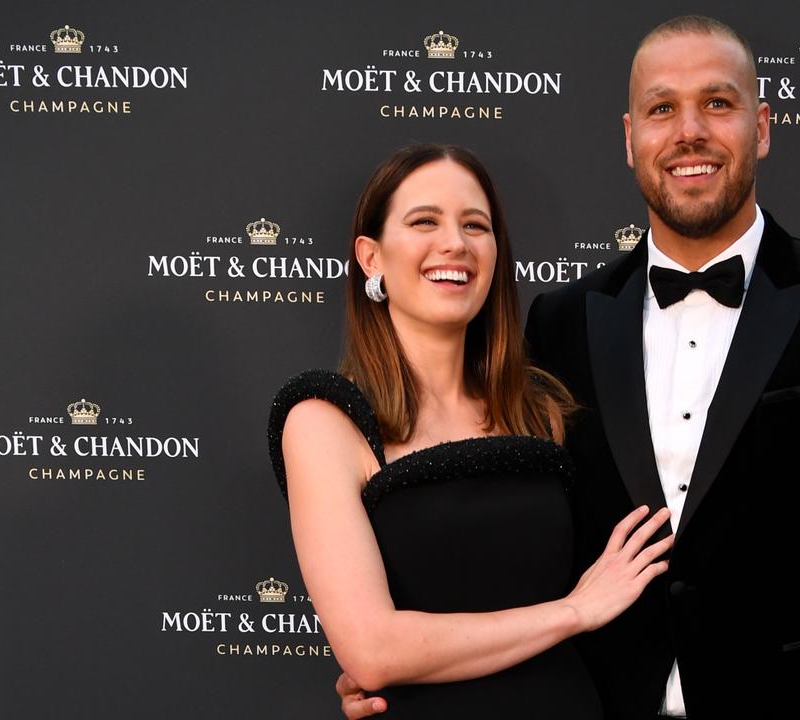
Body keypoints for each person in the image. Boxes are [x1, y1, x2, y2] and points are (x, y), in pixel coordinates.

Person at [340, 15, 800, 720]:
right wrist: (402, 673)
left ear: (760, 127)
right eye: (662, 108)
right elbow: (513, 543)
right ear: (630, 138)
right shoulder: (562, 320)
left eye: (717, 104)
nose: (689, 131)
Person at [268, 143, 675, 719]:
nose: (454, 243)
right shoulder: (324, 421)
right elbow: (372, 651)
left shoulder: (543, 410)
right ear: (371, 256)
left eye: (475, 225)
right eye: (424, 221)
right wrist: (573, 612)